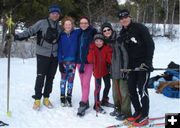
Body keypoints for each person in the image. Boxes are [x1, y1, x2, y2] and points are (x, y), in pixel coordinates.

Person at [14, 5, 62, 111]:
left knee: (50, 78)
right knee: (40, 77)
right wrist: (18, 36)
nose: (55, 15)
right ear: (50, 13)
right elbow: (30, 31)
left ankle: (46, 97)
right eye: (53, 13)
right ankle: (37, 99)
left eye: (57, 13)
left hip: (54, 56)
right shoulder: (42, 23)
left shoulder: (59, 27)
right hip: (42, 54)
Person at [118, 9, 155, 126]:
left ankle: (145, 114)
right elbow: (123, 52)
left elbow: (150, 44)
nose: (124, 20)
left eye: (125, 17)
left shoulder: (140, 28)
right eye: (121, 18)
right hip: (130, 67)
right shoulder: (122, 33)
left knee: (142, 89)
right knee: (131, 89)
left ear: (130, 17)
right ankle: (138, 111)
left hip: (143, 65)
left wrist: (148, 62)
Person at [101, 22, 132, 120]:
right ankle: (118, 108)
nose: (107, 32)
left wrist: (125, 69)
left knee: (124, 92)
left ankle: (126, 112)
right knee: (115, 92)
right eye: (104, 30)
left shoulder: (118, 39)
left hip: (122, 69)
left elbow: (125, 55)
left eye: (108, 29)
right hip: (113, 71)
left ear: (111, 29)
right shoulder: (106, 42)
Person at [76, 16, 97, 116]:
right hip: (79, 62)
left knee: (86, 83)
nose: (83, 25)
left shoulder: (93, 32)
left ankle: (83, 103)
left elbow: (99, 42)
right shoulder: (78, 33)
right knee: (82, 82)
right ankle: (86, 101)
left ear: (88, 24)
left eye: (85, 23)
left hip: (88, 62)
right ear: (79, 25)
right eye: (81, 23)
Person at [87, 33, 113, 113]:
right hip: (97, 72)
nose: (98, 43)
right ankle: (96, 104)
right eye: (96, 41)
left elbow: (109, 60)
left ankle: (104, 100)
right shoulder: (93, 49)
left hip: (105, 71)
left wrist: (109, 52)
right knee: (98, 88)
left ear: (103, 41)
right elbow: (90, 60)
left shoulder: (106, 48)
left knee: (108, 85)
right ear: (94, 42)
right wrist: (91, 50)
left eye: (100, 41)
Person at [58, 16, 80, 107]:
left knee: (71, 80)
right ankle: (62, 97)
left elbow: (86, 28)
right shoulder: (61, 35)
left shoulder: (76, 33)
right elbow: (59, 49)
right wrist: (59, 62)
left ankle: (69, 97)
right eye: (66, 24)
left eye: (69, 24)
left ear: (72, 25)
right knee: (63, 80)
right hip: (63, 62)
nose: (68, 26)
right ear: (63, 25)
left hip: (73, 62)